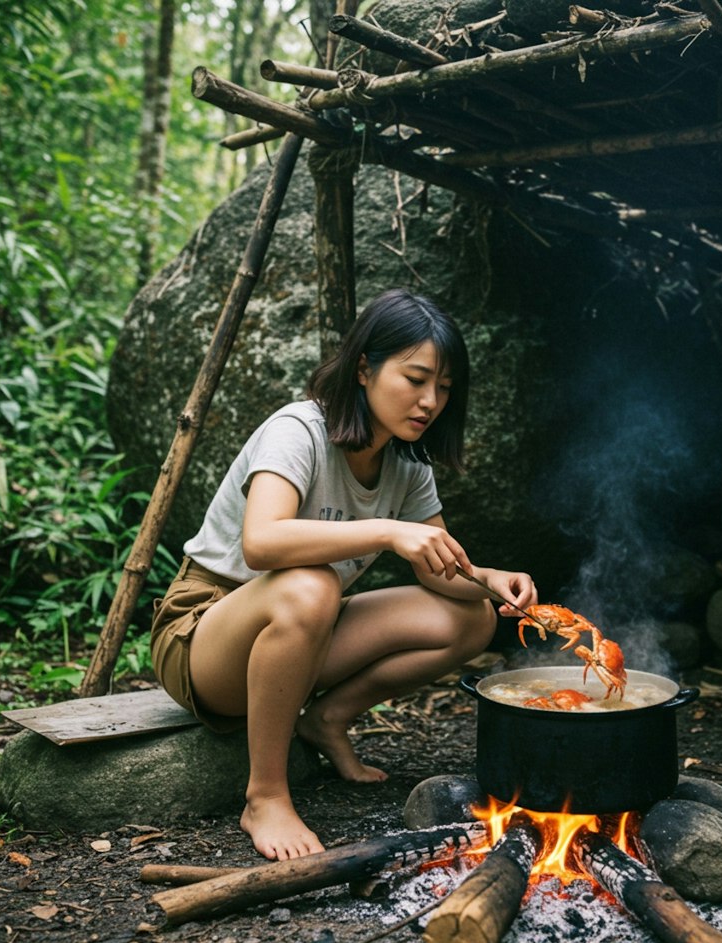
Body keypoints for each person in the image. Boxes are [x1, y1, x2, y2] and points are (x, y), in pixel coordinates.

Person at [150, 288, 538, 861]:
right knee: (312, 583)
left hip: (303, 628)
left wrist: (490, 577)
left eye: (445, 388)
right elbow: (262, 542)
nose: (430, 401)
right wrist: (386, 530)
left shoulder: (408, 464)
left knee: (469, 617)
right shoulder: (299, 430)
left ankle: (327, 720)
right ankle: (265, 796)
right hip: (204, 634)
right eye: (416, 378)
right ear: (364, 367)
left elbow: (439, 572)